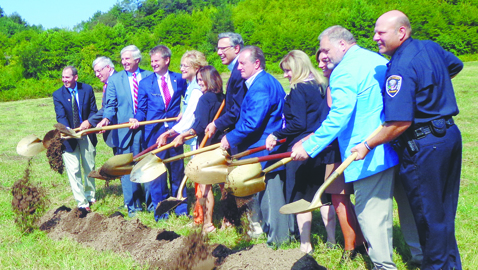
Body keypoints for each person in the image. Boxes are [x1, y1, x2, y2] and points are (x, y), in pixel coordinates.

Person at [352, 10, 463, 269]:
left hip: (424, 146)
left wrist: (367, 145)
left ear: (401, 32)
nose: (374, 37)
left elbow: (399, 123)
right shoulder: (431, 48)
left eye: (381, 32)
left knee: (428, 217)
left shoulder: (399, 67)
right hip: (449, 137)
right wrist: (430, 90)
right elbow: (455, 65)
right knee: (444, 213)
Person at [290, 26, 399, 269]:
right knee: (387, 210)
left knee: (370, 213)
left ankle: (383, 266)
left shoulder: (344, 71)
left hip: (367, 152)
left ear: (342, 44)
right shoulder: (376, 58)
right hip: (388, 143)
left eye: (326, 49)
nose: (324, 55)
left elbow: (339, 115)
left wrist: (310, 145)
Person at [264, 50, 336, 254]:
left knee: (300, 196)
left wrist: (276, 134)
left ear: (298, 69)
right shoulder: (321, 85)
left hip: (300, 149)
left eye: (288, 71)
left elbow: (298, 123)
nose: (286, 75)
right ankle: (331, 241)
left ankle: (305, 244)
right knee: (324, 196)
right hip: (323, 147)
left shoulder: (298, 89)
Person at [222, 45, 292, 247]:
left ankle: (278, 243)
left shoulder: (261, 85)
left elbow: (253, 122)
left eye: (243, 63)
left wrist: (230, 138)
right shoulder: (261, 82)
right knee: (264, 195)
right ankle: (272, 237)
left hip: (264, 150)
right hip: (262, 149)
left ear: (257, 63)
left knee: (271, 196)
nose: (239, 67)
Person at [314, 50, 367, 257]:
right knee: (339, 199)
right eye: (318, 60)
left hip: (341, 148)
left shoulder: (340, 84)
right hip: (333, 149)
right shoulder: (326, 86)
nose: (321, 64)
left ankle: (351, 246)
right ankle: (357, 242)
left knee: (340, 198)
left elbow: (338, 119)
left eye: (325, 60)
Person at [129, 45, 187, 221]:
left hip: (175, 133)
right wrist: (136, 119)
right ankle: (161, 212)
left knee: (177, 171)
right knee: (157, 174)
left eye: (156, 60)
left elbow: (189, 100)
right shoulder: (145, 83)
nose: (153, 64)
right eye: (152, 61)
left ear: (167, 60)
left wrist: (185, 112)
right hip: (154, 133)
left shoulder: (180, 79)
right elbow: (141, 109)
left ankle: (180, 209)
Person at [97, 45, 153, 217]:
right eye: (122, 59)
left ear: (137, 59)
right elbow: (111, 105)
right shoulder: (115, 80)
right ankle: (133, 206)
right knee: (126, 167)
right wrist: (106, 119)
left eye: (127, 58)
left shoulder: (149, 76)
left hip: (146, 129)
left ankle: (151, 203)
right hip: (124, 131)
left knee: (147, 164)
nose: (124, 62)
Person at [172, 65, 225, 233]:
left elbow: (200, 125)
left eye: (201, 80)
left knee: (205, 186)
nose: (199, 83)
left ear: (209, 80)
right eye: (198, 80)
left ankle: (208, 224)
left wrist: (184, 134)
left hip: (207, 147)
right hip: (221, 146)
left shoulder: (205, 99)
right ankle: (227, 221)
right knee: (224, 185)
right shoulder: (222, 98)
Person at [204, 32, 247, 229]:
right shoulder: (235, 70)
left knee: (237, 178)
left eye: (224, 48)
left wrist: (217, 124)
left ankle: (237, 220)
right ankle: (234, 219)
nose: (219, 52)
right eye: (218, 48)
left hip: (240, 132)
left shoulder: (239, 71)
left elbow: (236, 110)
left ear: (236, 48)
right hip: (235, 130)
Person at [52, 66, 98, 212]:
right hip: (68, 136)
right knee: (74, 169)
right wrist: (68, 130)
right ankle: (82, 202)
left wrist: (89, 122)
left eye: (68, 77)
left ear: (76, 77)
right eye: (63, 77)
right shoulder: (58, 94)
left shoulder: (87, 89)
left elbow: (93, 110)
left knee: (89, 166)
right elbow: (60, 116)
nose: (64, 80)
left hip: (86, 133)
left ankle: (90, 195)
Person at [156, 50, 208, 149]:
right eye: (181, 66)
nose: (181, 69)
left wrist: (168, 133)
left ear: (196, 68)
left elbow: (189, 118)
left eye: (185, 66)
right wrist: (183, 112)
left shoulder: (197, 89)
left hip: (200, 138)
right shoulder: (190, 85)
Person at [89, 56, 117, 154]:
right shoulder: (108, 83)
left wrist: (89, 122)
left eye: (99, 71)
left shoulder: (117, 81)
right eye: (95, 72)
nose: (97, 74)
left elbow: (108, 106)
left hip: (121, 131)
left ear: (108, 67)